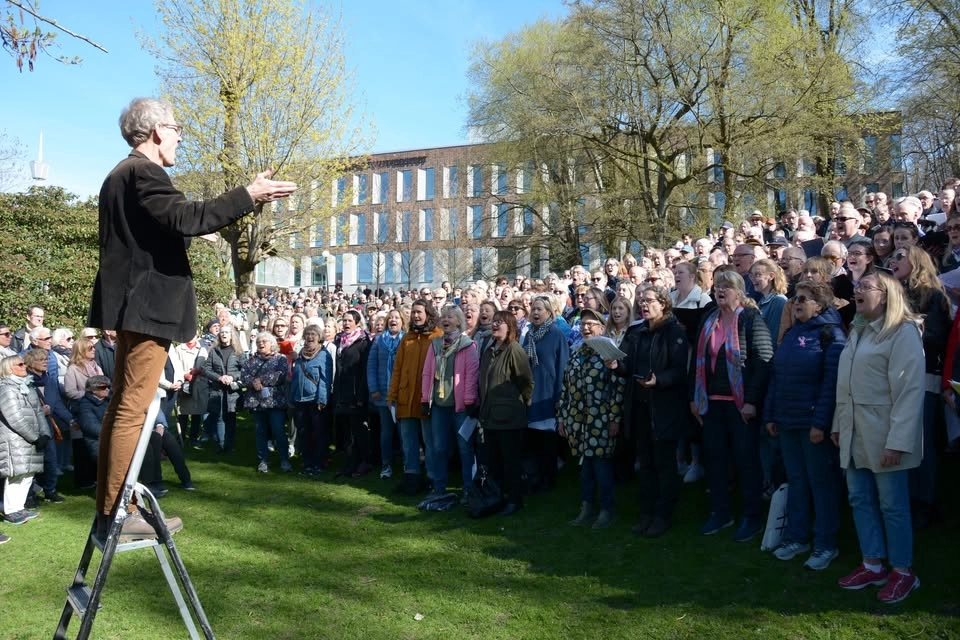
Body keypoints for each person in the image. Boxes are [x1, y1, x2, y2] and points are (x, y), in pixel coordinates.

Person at [86, 97, 296, 541]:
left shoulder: (118, 175)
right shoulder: (145, 172)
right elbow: (186, 218)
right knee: (131, 410)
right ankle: (116, 515)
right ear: (158, 130)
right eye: (177, 127)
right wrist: (248, 195)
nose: (181, 136)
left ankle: (117, 508)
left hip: (133, 308)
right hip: (147, 310)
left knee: (123, 408)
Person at [832, 272, 925, 604]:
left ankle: (903, 572)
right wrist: (837, 424)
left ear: (885, 295)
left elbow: (910, 391)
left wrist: (898, 441)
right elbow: (845, 384)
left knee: (893, 506)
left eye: (865, 287)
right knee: (859, 499)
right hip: (855, 432)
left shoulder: (902, 333)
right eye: (857, 287)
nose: (856, 291)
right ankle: (872, 564)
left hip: (885, 435)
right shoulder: (858, 330)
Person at [764, 281, 846, 570]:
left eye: (802, 299)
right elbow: (777, 377)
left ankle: (826, 543)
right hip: (787, 421)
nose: (795, 303)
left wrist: (820, 422)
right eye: (794, 299)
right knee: (797, 481)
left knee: (821, 484)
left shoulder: (831, 335)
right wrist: (771, 415)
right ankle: (796, 537)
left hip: (812, 423)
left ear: (819, 305)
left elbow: (831, 385)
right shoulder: (791, 333)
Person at [690, 270, 773, 542]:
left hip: (741, 406)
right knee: (715, 460)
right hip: (711, 403)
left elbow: (763, 361)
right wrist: (695, 397)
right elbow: (697, 360)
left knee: (746, 461)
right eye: (717, 286)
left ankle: (751, 517)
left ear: (740, 291)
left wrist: (751, 401)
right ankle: (720, 512)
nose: (720, 291)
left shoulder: (750, 318)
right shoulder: (709, 319)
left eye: (727, 287)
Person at [609, 286, 689, 537]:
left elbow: (679, 371)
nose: (643, 305)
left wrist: (659, 381)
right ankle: (646, 513)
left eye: (649, 301)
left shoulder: (674, 331)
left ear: (663, 304)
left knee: (664, 465)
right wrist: (616, 366)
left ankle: (663, 515)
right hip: (641, 407)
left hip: (663, 408)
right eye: (640, 301)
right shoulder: (638, 333)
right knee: (645, 464)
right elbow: (629, 366)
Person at [889, 245, 951, 529]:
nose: (893, 260)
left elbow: (937, 338)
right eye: (893, 256)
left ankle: (925, 504)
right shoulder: (891, 295)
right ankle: (904, 500)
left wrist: (907, 325)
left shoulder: (933, 296)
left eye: (900, 256)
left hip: (923, 377)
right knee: (899, 441)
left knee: (921, 443)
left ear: (917, 262)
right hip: (891, 378)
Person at [558, 308, 625, 529]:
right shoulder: (577, 352)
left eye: (591, 324)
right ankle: (586, 507)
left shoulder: (608, 351)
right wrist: (562, 418)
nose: (586, 328)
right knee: (585, 466)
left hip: (601, 419)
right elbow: (566, 387)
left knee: (601, 465)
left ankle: (607, 510)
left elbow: (617, 387)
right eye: (583, 324)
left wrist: (614, 418)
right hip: (578, 420)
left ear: (601, 327)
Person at [420, 306, 480, 500]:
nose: (446, 319)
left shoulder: (467, 345)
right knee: (439, 448)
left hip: (461, 406)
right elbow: (427, 372)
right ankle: (439, 488)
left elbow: (472, 374)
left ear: (459, 321)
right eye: (443, 316)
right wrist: (424, 399)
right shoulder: (435, 344)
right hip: (438, 405)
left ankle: (468, 488)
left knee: (464, 448)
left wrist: (470, 399)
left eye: (450, 316)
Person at [478, 310, 534, 516]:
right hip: (489, 416)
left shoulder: (514, 349)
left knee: (511, 461)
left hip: (509, 418)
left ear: (510, 326)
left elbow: (526, 381)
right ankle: (496, 497)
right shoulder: (489, 349)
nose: (495, 325)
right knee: (494, 462)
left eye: (499, 322)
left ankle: (514, 500)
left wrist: (517, 402)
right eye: (494, 322)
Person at [387, 300, 443, 495]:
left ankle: (434, 478)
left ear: (428, 313)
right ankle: (411, 478)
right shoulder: (407, 338)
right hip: (405, 397)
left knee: (430, 441)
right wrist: (392, 395)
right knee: (408, 442)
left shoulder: (437, 336)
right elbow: (398, 368)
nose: (416, 316)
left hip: (426, 398)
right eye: (413, 313)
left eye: (419, 312)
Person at [522, 295, 569, 493]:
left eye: (540, 309)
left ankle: (548, 481)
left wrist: (560, 396)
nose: (535, 312)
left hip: (548, 394)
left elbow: (562, 366)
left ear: (549, 312)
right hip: (531, 394)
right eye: (533, 309)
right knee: (532, 441)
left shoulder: (555, 334)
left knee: (547, 442)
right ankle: (535, 478)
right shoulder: (528, 335)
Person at [0, 355, 49, 526]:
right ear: (8, 368)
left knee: (28, 474)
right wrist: (35, 437)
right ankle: (11, 511)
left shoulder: (28, 386)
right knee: (16, 475)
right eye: (19, 364)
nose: (24, 366)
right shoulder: (6, 389)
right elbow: (15, 418)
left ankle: (19, 507)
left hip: (30, 439)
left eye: (24, 363)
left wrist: (45, 433)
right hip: (14, 440)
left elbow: (39, 412)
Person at [242, 332, 292, 473]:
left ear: (272, 344)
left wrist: (261, 380)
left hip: (275, 402)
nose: (261, 344)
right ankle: (263, 460)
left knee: (278, 430)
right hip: (257, 402)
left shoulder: (280, 359)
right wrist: (253, 382)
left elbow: (280, 376)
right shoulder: (251, 361)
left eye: (264, 341)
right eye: (259, 342)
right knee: (260, 432)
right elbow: (244, 376)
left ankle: (284, 460)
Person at [367, 308, 407, 479]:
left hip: (402, 394)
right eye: (391, 318)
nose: (393, 320)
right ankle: (386, 465)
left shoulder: (407, 340)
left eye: (397, 317)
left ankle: (408, 464)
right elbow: (371, 366)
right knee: (386, 432)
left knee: (404, 432)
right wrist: (373, 388)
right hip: (383, 393)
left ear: (402, 321)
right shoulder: (378, 340)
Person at [332, 310, 372, 477]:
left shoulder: (363, 342)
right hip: (342, 392)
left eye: (350, 321)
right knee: (347, 432)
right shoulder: (339, 341)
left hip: (356, 393)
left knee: (359, 431)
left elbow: (365, 371)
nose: (346, 323)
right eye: (344, 320)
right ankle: (350, 463)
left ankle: (365, 461)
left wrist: (362, 396)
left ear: (357, 323)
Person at [290, 324, 333, 475]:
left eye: (313, 334)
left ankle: (319, 463)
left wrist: (322, 400)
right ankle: (307, 463)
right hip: (300, 400)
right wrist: (292, 397)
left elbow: (325, 379)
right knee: (303, 432)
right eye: (307, 334)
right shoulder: (301, 355)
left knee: (319, 432)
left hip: (315, 400)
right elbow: (296, 377)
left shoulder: (323, 354)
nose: (310, 337)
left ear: (319, 337)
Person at [200, 325, 243, 454]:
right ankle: (221, 445)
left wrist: (232, 377)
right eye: (222, 332)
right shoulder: (214, 351)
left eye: (227, 332)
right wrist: (219, 378)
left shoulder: (238, 351)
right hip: (217, 389)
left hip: (232, 390)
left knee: (230, 417)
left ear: (232, 335)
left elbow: (245, 370)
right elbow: (206, 370)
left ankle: (229, 446)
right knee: (218, 416)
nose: (224, 334)